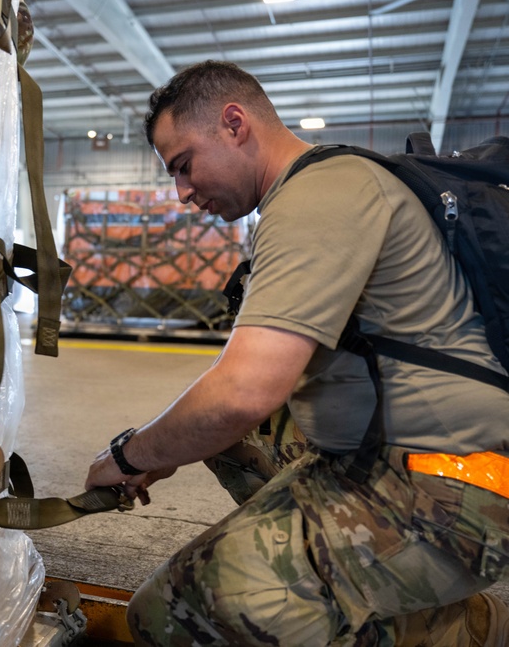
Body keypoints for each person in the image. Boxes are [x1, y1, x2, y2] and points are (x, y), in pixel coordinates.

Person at [83, 60, 509, 646]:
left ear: (235, 124)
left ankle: (445, 629)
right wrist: (168, 448)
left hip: (456, 485)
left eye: (183, 165)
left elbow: (243, 392)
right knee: (215, 432)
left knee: (177, 610)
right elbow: (235, 399)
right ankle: (401, 601)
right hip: (395, 450)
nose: (182, 193)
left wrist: (129, 457)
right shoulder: (318, 188)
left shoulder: (321, 194)